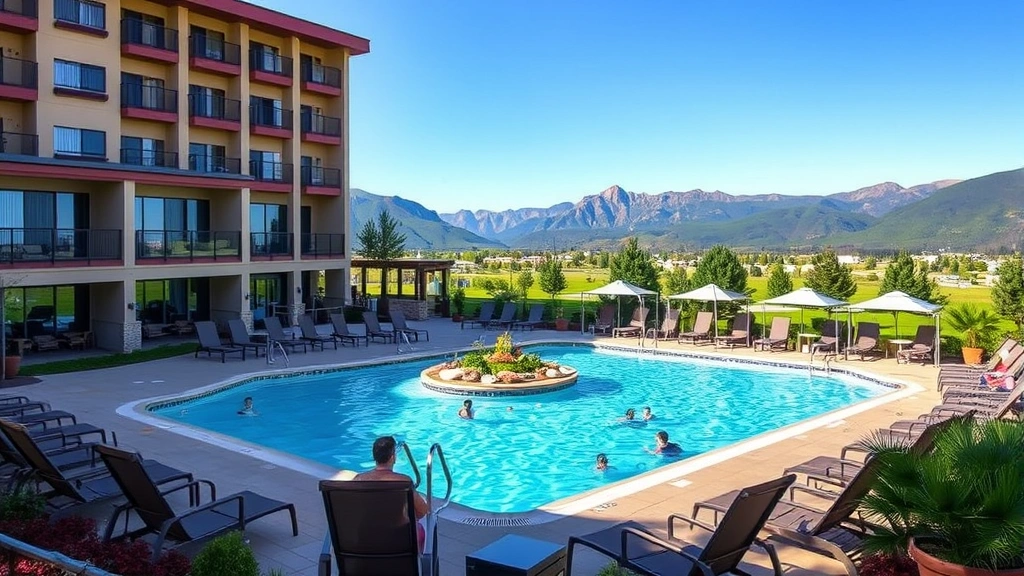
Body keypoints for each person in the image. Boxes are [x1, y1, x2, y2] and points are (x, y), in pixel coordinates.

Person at [355, 436, 429, 553]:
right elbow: (423, 510)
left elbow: (355, 511)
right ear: (393, 457)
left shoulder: (358, 480)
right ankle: (416, 565)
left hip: (366, 538)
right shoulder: (404, 482)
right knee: (420, 528)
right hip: (399, 541)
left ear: (375, 457)